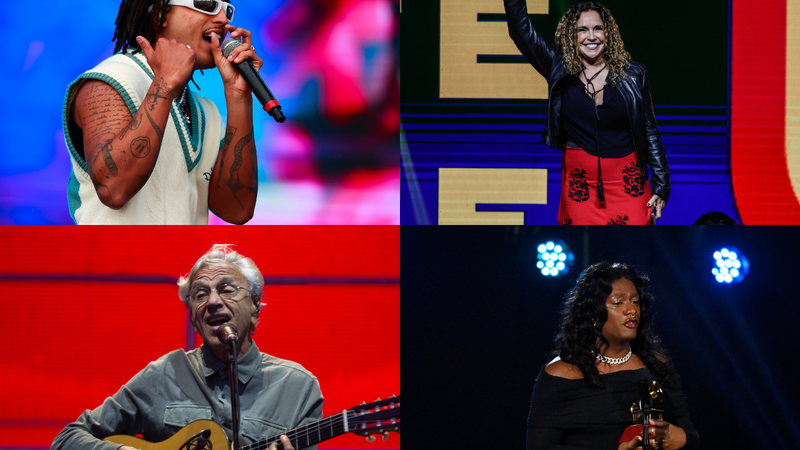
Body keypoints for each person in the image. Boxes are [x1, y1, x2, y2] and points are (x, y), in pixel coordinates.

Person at [51, 244, 324, 450]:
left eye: (227, 289)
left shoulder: (299, 387)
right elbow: (67, 438)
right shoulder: (164, 373)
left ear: (255, 307)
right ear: (193, 317)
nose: (213, 301)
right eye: (200, 294)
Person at [63, 0, 262, 224]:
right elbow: (114, 190)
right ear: (160, 13)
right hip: (113, 258)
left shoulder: (206, 112)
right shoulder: (111, 81)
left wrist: (238, 96)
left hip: (183, 259)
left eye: (227, 10)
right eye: (206, 4)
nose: (223, 20)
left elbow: (236, 210)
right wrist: (165, 84)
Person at [503, 1, 670, 225]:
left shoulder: (634, 74)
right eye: (582, 30)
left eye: (597, 29)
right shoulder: (557, 66)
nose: (591, 37)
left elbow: (649, 130)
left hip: (627, 184)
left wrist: (661, 184)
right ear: (571, 36)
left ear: (608, 33)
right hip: (579, 187)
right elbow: (521, 31)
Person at [527, 262, 699, 450]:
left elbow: (690, 434)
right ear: (592, 313)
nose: (631, 310)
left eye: (635, 301)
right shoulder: (561, 373)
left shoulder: (658, 366)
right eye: (618, 303)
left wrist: (682, 438)